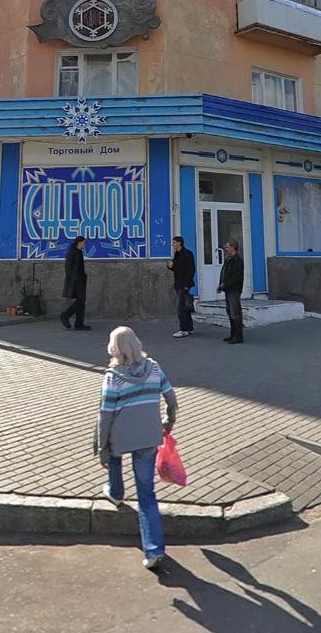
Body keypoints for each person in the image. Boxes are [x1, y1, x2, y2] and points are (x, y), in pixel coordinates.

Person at [94, 326, 177, 570]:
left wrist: (101, 446)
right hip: (149, 436)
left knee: (114, 457)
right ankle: (154, 550)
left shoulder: (113, 377)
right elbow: (171, 397)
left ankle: (116, 492)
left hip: (120, 436)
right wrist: (168, 421)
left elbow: (105, 415)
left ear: (114, 348)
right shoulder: (154, 368)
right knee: (146, 493)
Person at [167, 235, 197, 338]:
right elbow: (175, 268)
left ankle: (183, 329)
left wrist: (187, 284)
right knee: (185, 306)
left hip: (184, 284)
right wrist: (170, 266)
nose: (173, 245)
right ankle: (189, 328)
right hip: (178, 283)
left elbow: (191, 270)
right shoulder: (177, 254)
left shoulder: (188, 254)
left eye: (174, 242)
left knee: (180, 307)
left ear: (179, 243)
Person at [60, 235, 90, 331]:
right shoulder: (72, 252)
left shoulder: (79, 252)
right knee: (80, 300)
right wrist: (75, 278)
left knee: (81, 301)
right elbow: (68, 268)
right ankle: (65, 315)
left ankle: (79, 323)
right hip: (75, 281)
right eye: (84, 243)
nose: (85, 245)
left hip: (80, 279)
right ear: (79, 243)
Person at [217, 239, 244, 344]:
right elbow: (225, 274)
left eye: (227, 247)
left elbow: (236, 277)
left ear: (233, 247)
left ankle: (238, 336)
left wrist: (225, 284)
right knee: (230, 312)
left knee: (235, 313)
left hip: (234, 290)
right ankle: (233, 334)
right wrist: (222, 285)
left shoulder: (237, 261)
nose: (225, 249)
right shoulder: (229, 259)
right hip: (228, 289)